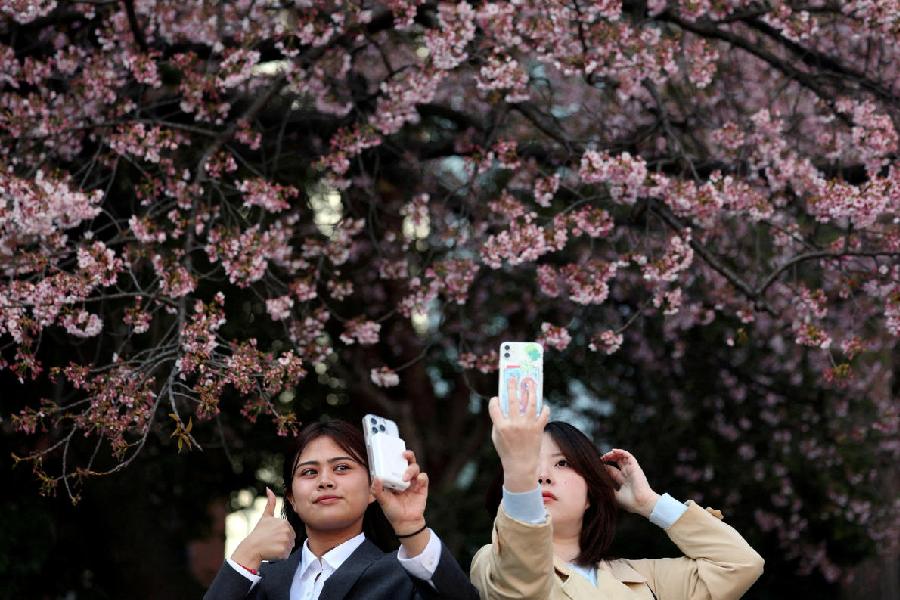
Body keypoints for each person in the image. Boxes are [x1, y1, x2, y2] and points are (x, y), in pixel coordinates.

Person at [470, 380, 765, 600]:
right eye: (531, 464)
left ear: (591, 494)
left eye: (562, 464)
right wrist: (518, 472)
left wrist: (648, 503)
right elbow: (521, 577)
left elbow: (739, 564)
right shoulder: (492, 563)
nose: (543, 477)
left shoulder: (641, 579)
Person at [205, 419, 480, 600]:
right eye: (309, 472)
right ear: (292, 499)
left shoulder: (404, 577)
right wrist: (246, 554)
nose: (325, 481)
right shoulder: (259, 581)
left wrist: (411, 527)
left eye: (342, 468)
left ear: (373, 488)